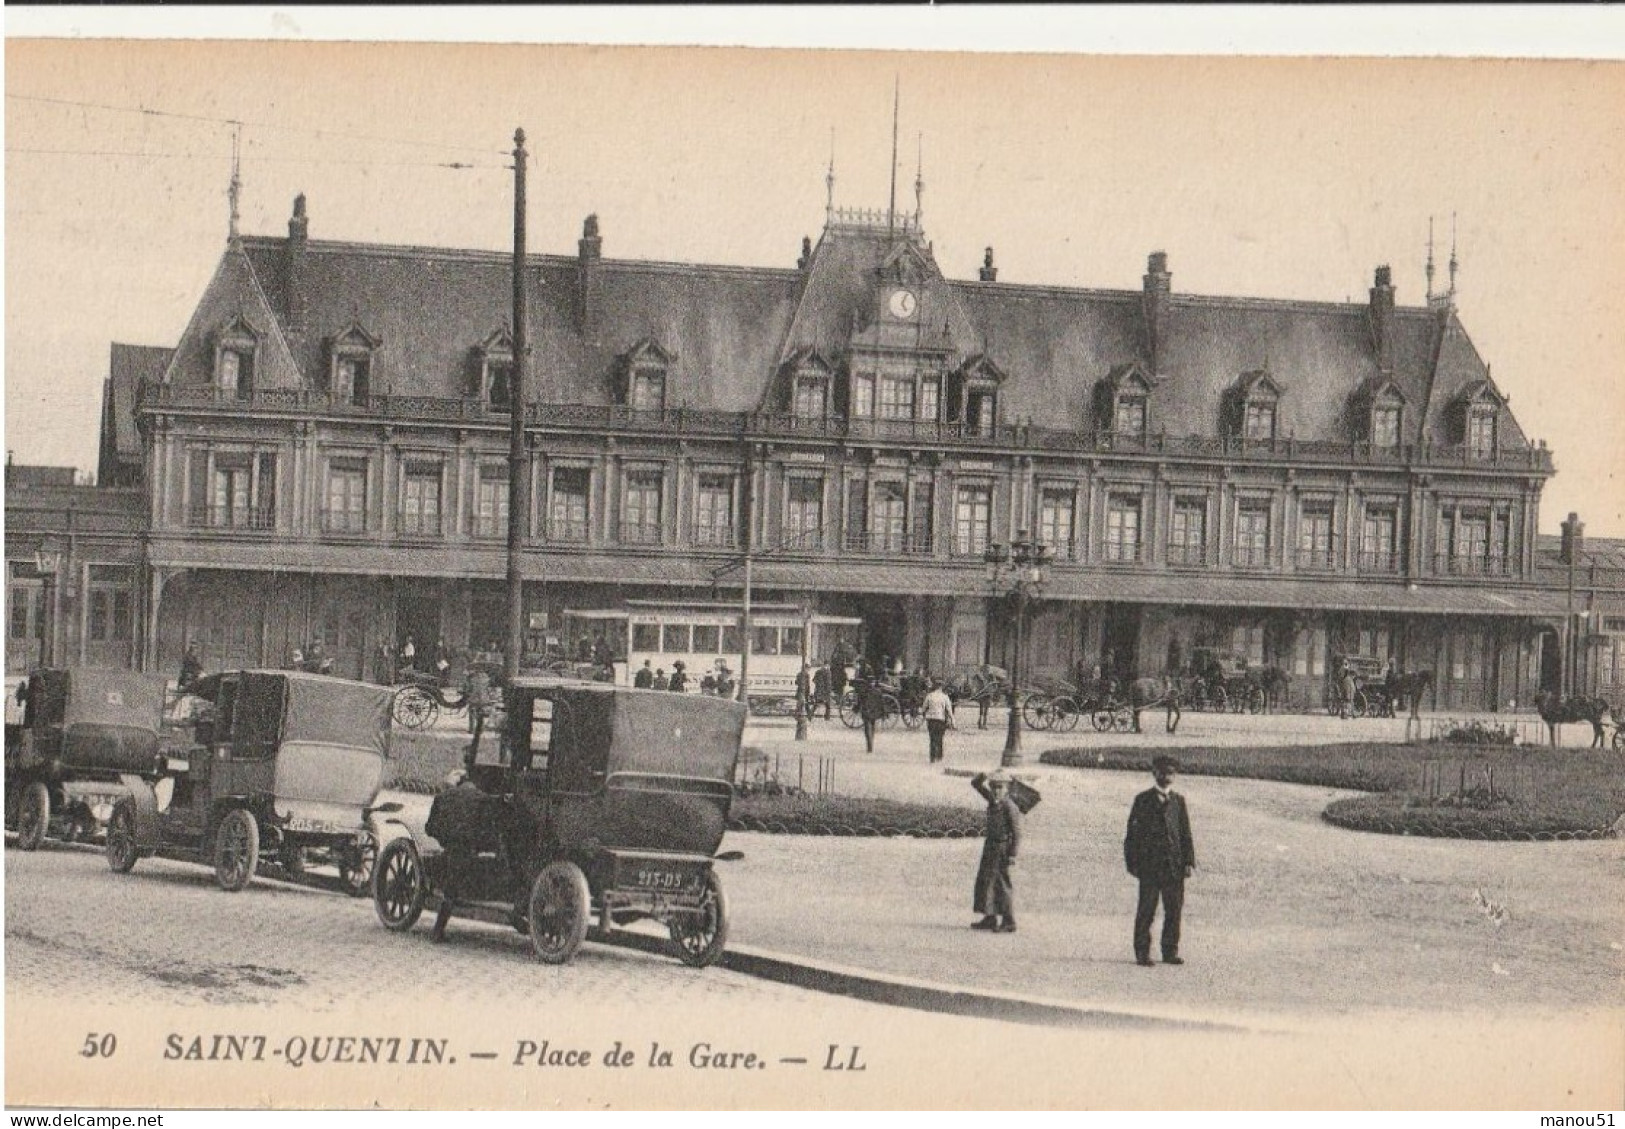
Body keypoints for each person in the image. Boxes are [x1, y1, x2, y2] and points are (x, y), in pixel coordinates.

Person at [1124, 755, 1197, 966]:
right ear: (1154, 774)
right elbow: (1132, 835)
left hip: (1173, 866)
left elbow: (1185, 833)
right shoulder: (1143, 800)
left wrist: (1188, 862)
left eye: (1170, 773)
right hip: (1150, 866)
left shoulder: (1178, 802)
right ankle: (1142, 952)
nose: (1166, 777)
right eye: (1162, 773)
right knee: (1146, 910)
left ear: (1175, 776)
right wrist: (1133, 863)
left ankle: (1170, 950)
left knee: (1173, 910)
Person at [971, 770, 1022, 933]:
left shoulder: (1009, 806)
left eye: (1000, 787)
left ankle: (1009, 920)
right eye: (993, 787)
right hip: (990, 846)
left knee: (1001, 883)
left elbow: (1017, 833)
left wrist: (1012, 854)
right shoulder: (994, 801)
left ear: (1007, 788)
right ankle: (990, 916)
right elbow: (976, 784)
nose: (996, 790)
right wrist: (984, 775)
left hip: (1002, 848)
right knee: (986, 881)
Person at [922, 679, 955, 763]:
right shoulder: (945, 697)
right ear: (941, 687)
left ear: (935, 687)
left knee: (932, 739)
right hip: (940, 720)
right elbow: (949, 710)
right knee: (940, 739)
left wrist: (925, 715)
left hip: (931, 720)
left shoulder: (929, 696)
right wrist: (953, 721)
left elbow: (923, 708)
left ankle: (932, 757)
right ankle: (939, 756)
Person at [857, 675, 887, 753]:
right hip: (874, 712)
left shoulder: (863, 691)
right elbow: (882, 704)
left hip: (866, 712)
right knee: (872, 728)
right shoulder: (878, 691)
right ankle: (871, 743)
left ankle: (869, 745)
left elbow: (859, 702)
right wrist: (883, 713)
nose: (872, 683)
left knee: (867, 729)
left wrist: (856, 709)